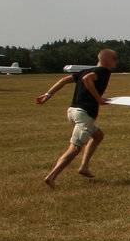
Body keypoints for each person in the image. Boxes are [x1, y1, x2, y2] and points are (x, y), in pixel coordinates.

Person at [37, 48, 118, 187]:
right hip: (84, 114)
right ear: (107, 60)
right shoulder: (103, 71)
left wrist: (48, 94)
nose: (116, 61)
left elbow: (64, 80)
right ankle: (51, 176)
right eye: (115, 58)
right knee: (74, 148)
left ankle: (84, 167)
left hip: (72, 111)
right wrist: (99, 99)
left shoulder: (85, 70)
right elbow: (88, 80)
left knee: (98, 135)